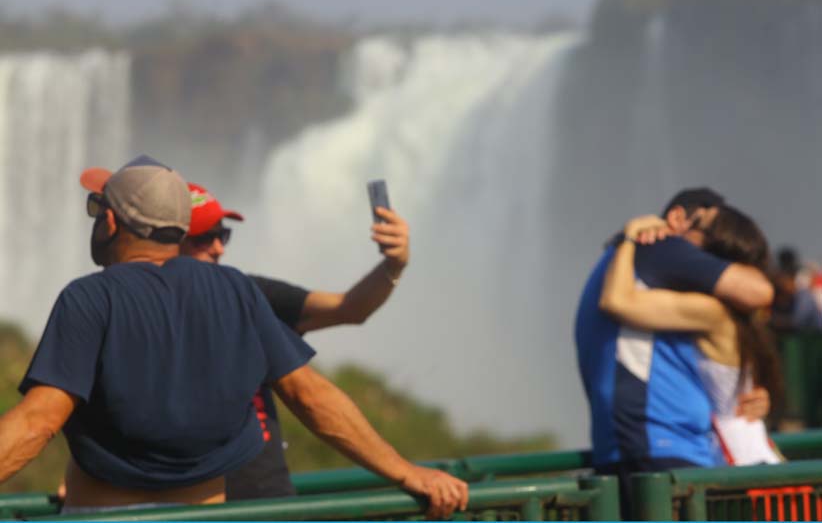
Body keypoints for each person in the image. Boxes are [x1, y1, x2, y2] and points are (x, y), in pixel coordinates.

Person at [0, 156, 468, 518]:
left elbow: (38, 422)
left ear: (111, 222)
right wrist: (409, 473)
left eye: (96, 209)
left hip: (109, 517)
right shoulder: (237, 291)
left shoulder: (90, 298)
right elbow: (312, 397)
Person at [181, 182, 410, 501]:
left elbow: (350, 308)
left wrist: (393, 266)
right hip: (198, 506)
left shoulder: (251, 295)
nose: (219, 248)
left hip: (271, 500)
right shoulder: (139, 312)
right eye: (203, 237)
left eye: (223, 235)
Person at [574, 187, 773, 516]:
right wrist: (630, 235)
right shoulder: (661, 248)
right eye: (711, 235)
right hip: (663, 450)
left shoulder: (620, 260)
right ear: (678, 219)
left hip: (632, 446)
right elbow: (758, 290)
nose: (709, 260)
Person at [600, 208, 783, 466]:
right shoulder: (744, 320)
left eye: (694, 225)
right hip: (751, 456)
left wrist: (629, 237)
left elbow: (616, 301)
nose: (680, 234)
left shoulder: (712, 312)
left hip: (738, 466)